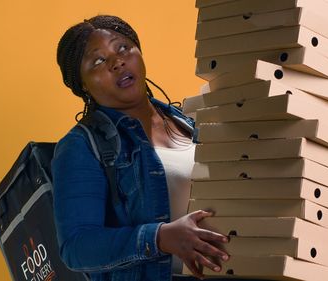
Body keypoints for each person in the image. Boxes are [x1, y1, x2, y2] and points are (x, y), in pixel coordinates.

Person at [52, 15, 233, 281]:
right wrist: (160, 237)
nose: (117, 62)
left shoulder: (189, 121)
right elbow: (77, 247)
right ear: (82, 85)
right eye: (98, 61)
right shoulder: (81, 146)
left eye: (123, 48)